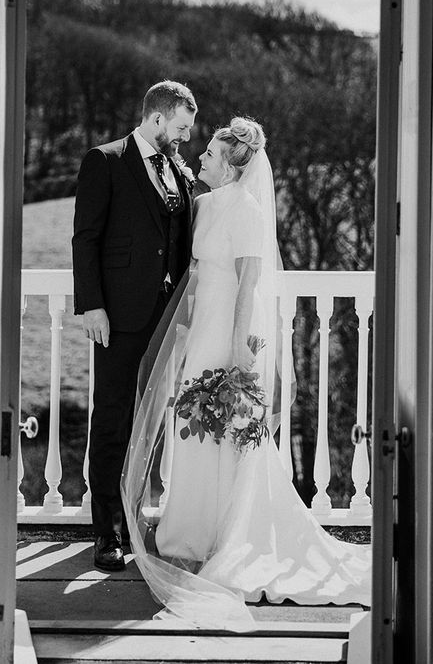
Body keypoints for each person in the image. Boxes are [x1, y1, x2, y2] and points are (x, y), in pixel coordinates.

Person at [121, 117, 372, 628]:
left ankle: (225, 536)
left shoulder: (249, 212)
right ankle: (184, 533)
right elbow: (193, 277)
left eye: (210, 153)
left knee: (227, 433)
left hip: (230, 331)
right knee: (191, 428)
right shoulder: (205, 205)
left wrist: (238, 355)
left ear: (234, 165)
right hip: (201, 328)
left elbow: (247, 288)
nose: (201, 159)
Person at [72, 81, 197, 571]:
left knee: (153, 423)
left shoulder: (176, 170)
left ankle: (136, 517)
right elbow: (86, 238)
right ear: (158, 118)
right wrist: (92, 306)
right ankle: (105, 534)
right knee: (113, 419)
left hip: (168, 317)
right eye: (182, 127)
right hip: (119, 317)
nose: (185, 138)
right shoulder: (105, 160)